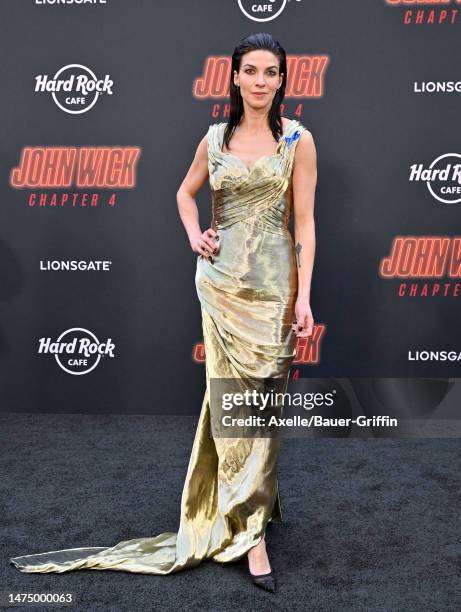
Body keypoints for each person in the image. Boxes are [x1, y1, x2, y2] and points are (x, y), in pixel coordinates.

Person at [9, 32, 317, 594]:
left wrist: (304, 296)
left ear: (281, 81)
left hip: (274, 289)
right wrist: (195, 234)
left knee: (261, 405)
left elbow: (305, 225)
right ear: (234, 77)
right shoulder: (214, 138)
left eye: (271, 72)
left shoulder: (299, 140)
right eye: (250, 71)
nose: (259, 82)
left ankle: (256, 509)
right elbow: (183, 194)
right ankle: (252, 533)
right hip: (220, 286)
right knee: (230, 399)